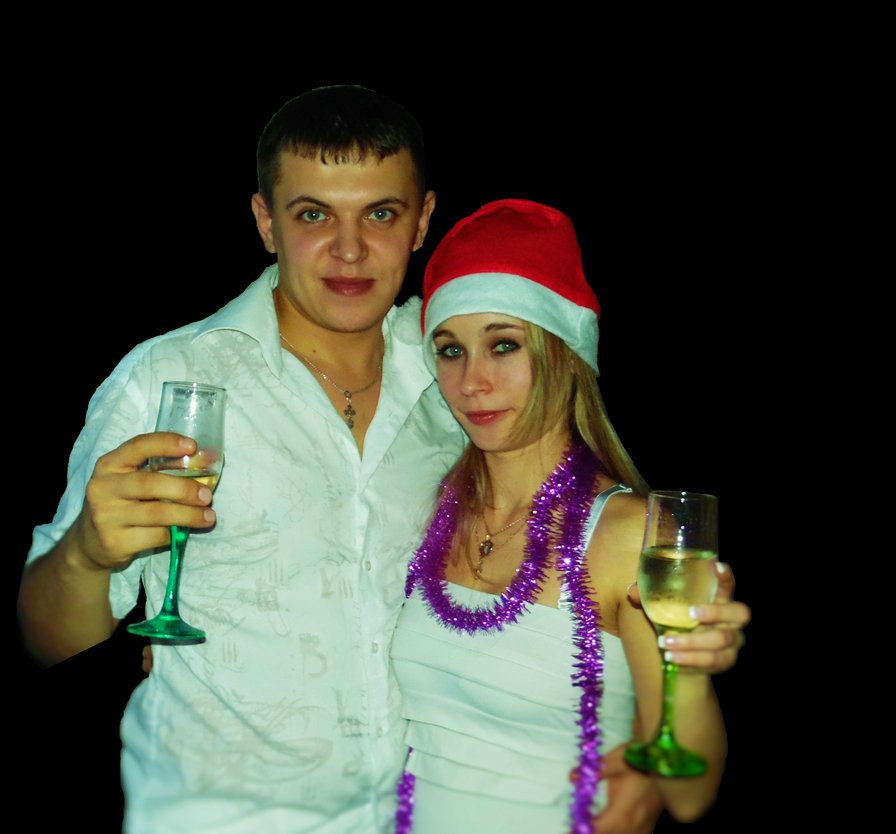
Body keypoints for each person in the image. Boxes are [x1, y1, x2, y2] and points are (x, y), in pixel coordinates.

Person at [17, 87, 669, 834]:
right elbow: (47, 640)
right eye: (313, 215)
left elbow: (574, 516)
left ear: (421, 220)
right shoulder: (166, 379)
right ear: (266, 221)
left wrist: (675, 604)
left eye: (381, 214)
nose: (350, 249)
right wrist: (85, 557)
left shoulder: (454, 373)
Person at [388, 198, 752, 833]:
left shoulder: (628, 533)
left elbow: (690, 791)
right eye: (449, 350)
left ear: (564, 352)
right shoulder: (430, 505)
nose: (472, 381)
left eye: (504, 345)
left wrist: (689, 672)